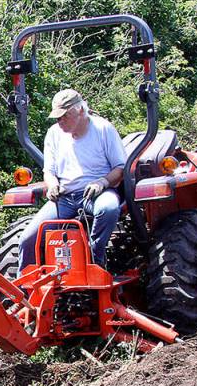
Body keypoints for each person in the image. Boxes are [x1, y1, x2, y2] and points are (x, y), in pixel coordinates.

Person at [17, 89, 127, 270]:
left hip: (96, 194)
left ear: (81, 111)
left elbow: (121, 168)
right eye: (57, 118)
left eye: (64, 116)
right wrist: (52, 185)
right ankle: (23, 291)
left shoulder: (103, 129)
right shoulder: (53, 133)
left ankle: (95, 259)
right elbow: (49, 171)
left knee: (108, 208)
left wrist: (102, 182)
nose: (60, 122)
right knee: (28, 239)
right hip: (65, 197)